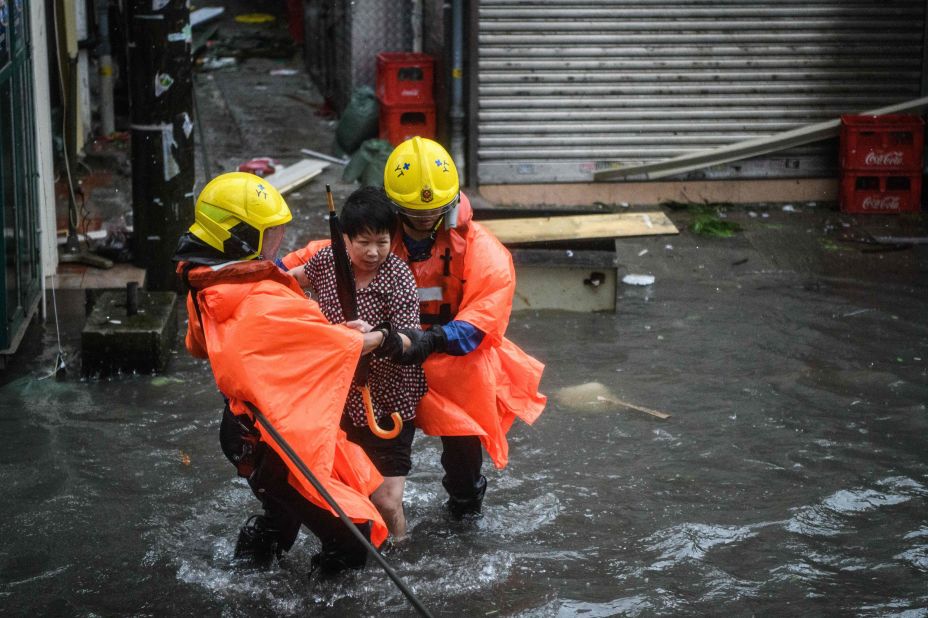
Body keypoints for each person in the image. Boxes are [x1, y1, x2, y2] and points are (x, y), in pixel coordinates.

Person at [282, 137, 547, 519]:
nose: (424, 220)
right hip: (383, 367)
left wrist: (421, 340)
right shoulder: (375, 239)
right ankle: (370, 518)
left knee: (463, 465)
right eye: (413, 213)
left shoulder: (481, 249)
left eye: (433, 212)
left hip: (454, 364)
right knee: (363, 462)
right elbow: (303, 264)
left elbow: (479, 324)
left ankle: (464, 514)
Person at [172, 171, 389, 575]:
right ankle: (323, 600)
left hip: (242, 429)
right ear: (240, 237)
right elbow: (320, 343)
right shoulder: (259, 298)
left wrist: (331, 336)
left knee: (282, 516)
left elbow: (199, 346)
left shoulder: (208, 287)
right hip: (271, 442)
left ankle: (245, 581)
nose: (280, 244)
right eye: (270, 234)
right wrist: (377, 338)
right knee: (351, 533)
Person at [289, 186, 426, 539]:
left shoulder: (399, 277)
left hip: (389, 402)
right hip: (339, 400)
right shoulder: (326, 262)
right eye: (363, 241)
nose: (373, 251)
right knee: (348, 495)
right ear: (345, 239)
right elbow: (289, 281)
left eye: (382, 241)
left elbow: (411, 335)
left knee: (387, 500)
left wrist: (376, 336)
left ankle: (400, 548)